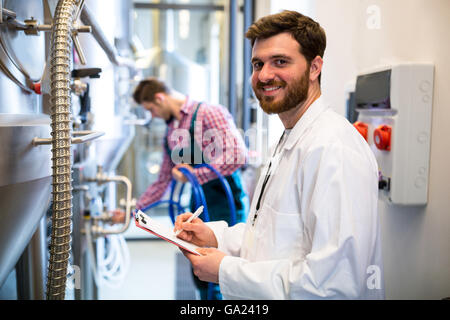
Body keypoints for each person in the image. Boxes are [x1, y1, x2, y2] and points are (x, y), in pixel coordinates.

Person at [175, 10, 385, 299]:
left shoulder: (333, 149)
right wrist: (214, 237)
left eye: (280, 62)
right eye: (258, 63)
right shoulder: (289, 138)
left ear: (315, 67)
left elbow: (333, 286)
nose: (263, 75)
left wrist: (225, 271)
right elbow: (268, 237)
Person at [132, 77, 249, 299]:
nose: (153, 116)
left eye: (151, 110)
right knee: (201, 270)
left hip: (225, 202)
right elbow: (163, 180)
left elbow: (237, 155)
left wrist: (194, 175)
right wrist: (135, 212)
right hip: (199, 203)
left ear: (159, 97)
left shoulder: (208, 113)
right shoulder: (172, 130)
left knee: (226, 273)